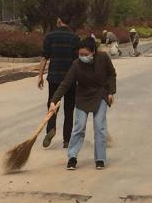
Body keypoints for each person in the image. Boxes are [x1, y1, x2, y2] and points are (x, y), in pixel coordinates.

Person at [48, 37, 116, 170]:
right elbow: (66, 83)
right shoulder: (76, 65)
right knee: (79, 126)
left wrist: (111, 92)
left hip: (100, 94)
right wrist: (54, 100)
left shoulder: (103, 58)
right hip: (83, 96)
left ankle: (100, 159)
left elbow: (111, 74)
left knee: (99, 126)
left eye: (86, 54)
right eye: (80, 54)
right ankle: (72, 157)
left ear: (93, 52)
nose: (82, 57)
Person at [38, 15, 80, 148]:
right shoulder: (75, 38)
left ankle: (51, 128)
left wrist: (40, 76)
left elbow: (44, 57)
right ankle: (67, 139)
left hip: (54, 76)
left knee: (52, 103)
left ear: (59, 20)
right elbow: (78, 60)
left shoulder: (50, 37)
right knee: (69, 108)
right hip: (70, 78)